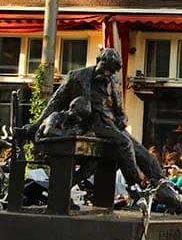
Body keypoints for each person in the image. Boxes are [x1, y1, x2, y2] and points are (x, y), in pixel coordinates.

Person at [17, 48, 162, 188]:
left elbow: (119, 110)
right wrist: (36, 124)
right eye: (105, 68)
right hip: (89, 127)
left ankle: (167, 191)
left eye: (111, 71)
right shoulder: (77, 77)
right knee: (124, 144)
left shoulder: (114, 81)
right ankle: (135, 189)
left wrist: (123, 118)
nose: (107, 73)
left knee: (145, 155)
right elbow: (55, 102)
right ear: (98, 60)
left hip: (111, 127)